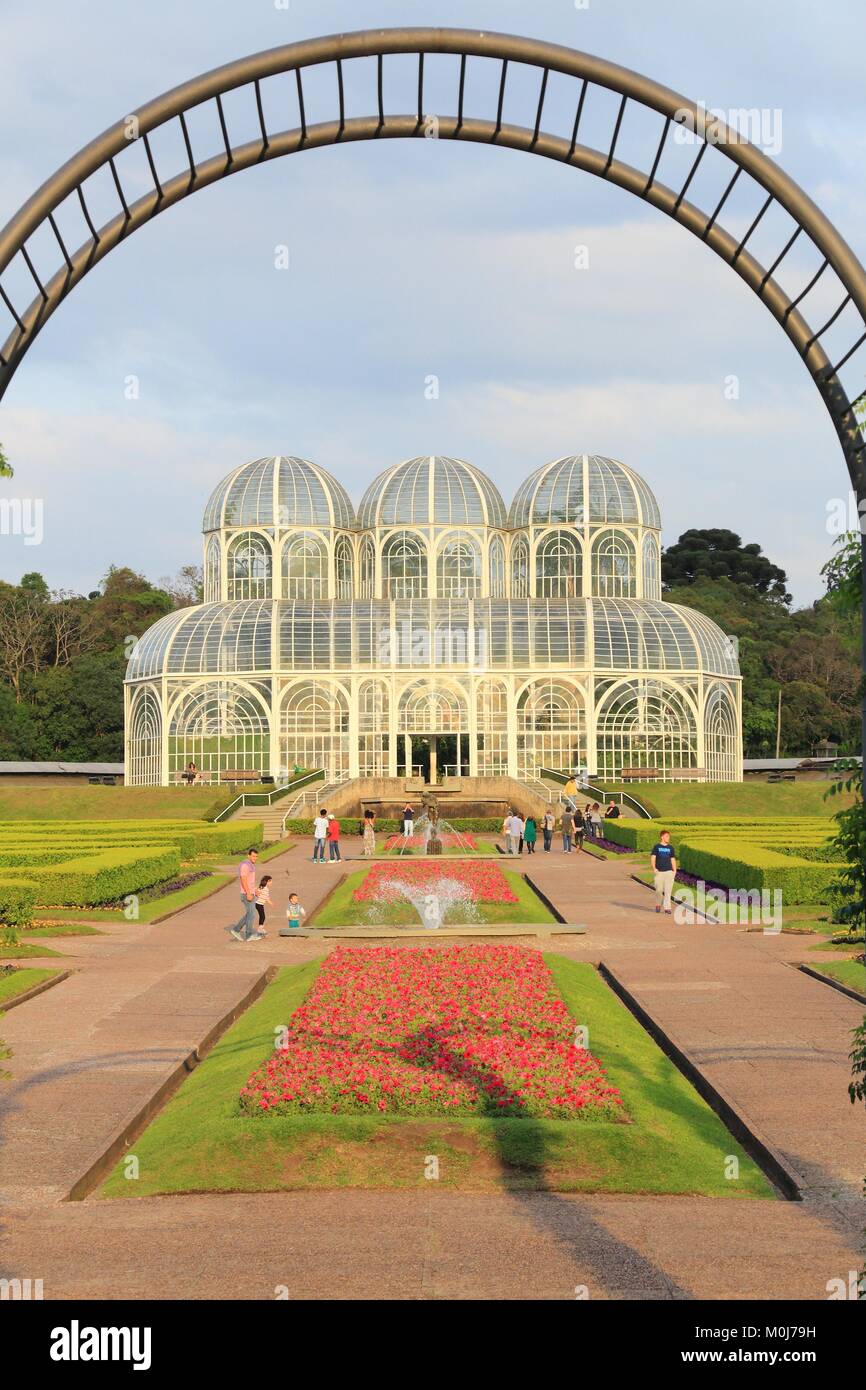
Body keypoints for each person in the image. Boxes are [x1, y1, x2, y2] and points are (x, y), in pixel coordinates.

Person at [230, 848, 260, 941]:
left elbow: (250, 881)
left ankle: (236, 930)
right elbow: (243, 880)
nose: (255, 858)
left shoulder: (251, 865)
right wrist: (248, 893)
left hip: (250, 893)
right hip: (246, 894)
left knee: (250, 914)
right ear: (249, 856)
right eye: (253, 856)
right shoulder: (245, 866)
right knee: (251, 914)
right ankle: (248, 935)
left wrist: (255, 890)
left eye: (256, 856)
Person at [651, 830, 677, 915]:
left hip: (669, 872)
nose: (668, 838)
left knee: (668, 891)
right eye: (666, 836)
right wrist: (654, 868)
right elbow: (653, 858)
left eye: (669, 836)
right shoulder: (656, 847)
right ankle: (658, 904)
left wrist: (674, 870)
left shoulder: (670, 848)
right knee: (659, 890)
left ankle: (667, 908)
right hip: (659, 872)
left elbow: (672, 859)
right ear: (662, 837)